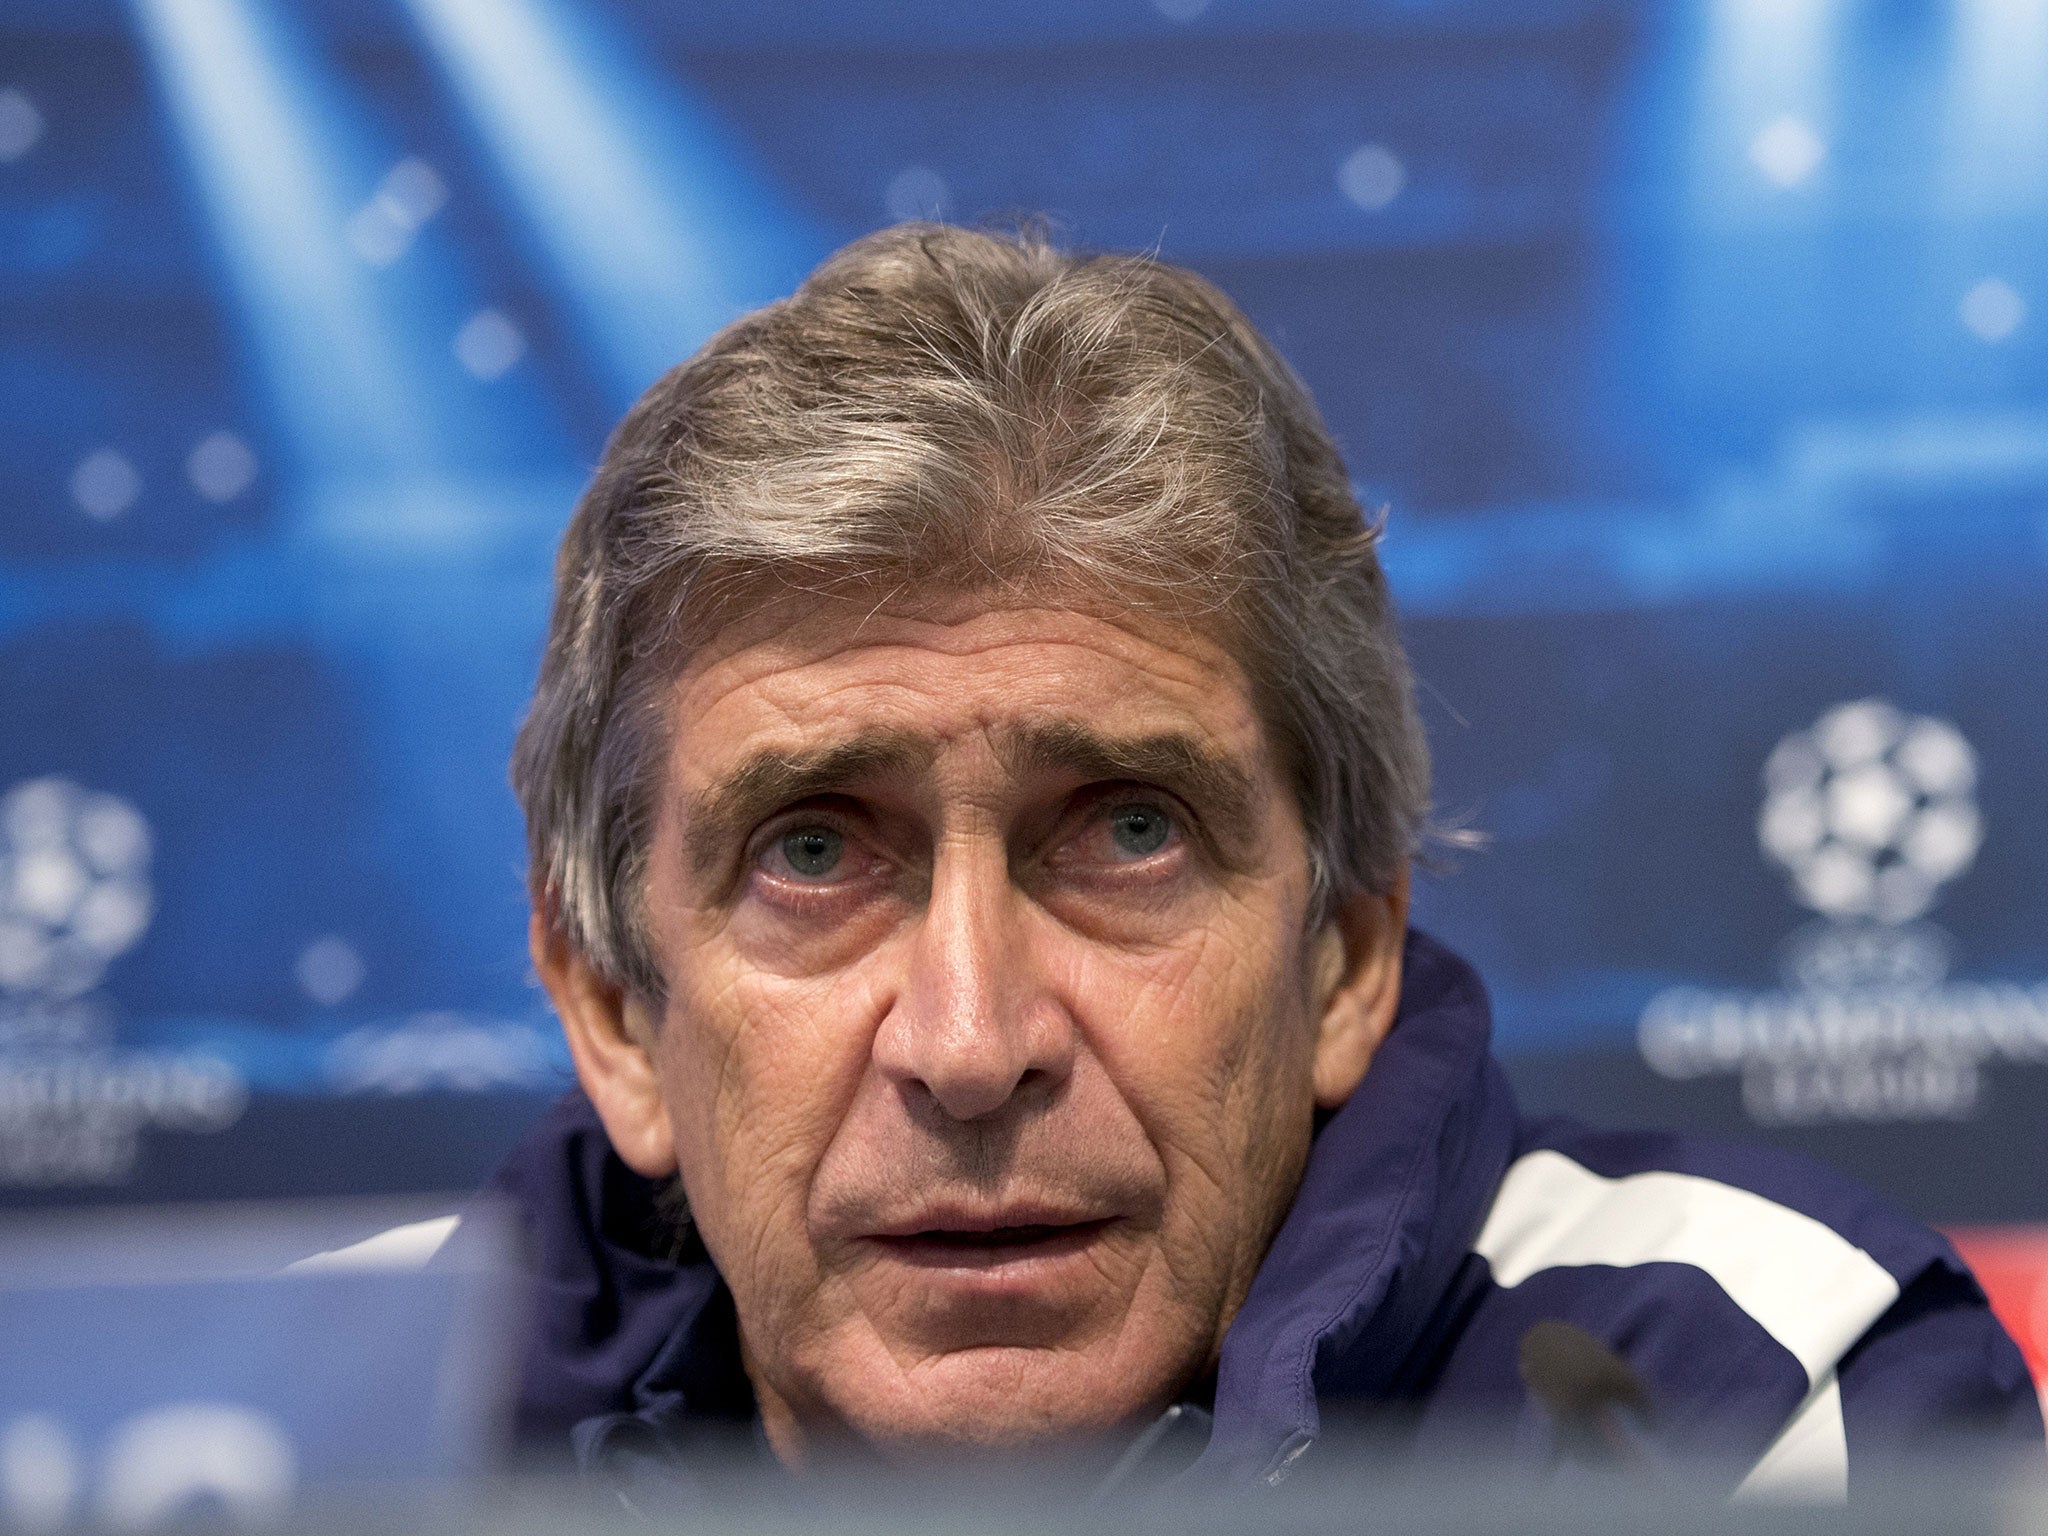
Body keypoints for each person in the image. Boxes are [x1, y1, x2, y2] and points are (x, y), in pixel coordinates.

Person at [485, 223, 2040, 1503]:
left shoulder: (1742, 1386)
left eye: (1127, 831)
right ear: (617, 1009)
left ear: (1348, 952)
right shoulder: (304, 1428)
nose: (970, 1045)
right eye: (812, 850)